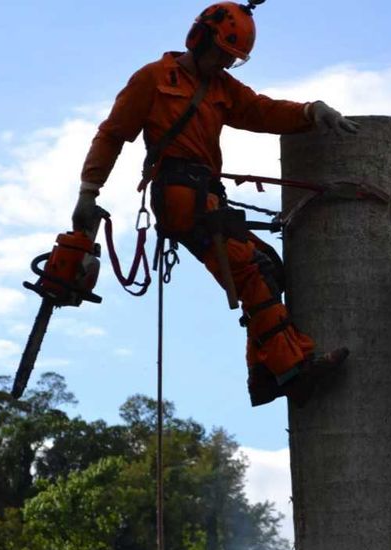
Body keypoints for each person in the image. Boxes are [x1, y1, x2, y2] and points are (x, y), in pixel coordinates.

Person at [72, 1, 356, 408]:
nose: (224, 63)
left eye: (232, 59)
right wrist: (89, 191)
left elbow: (262, 111)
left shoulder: (222, 88)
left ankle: (263, 375)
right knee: (249, 269)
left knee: (268, 267)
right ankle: (293, 369)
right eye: (222, 53)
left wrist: (310, 111)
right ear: (200, 38)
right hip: (179, 196)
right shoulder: (153, 79)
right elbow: (112, 135)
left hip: (206, 195)